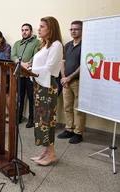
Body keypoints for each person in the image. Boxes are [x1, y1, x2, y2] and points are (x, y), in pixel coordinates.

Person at [21, 16, 63, 166]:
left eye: (42, 26)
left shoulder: (56, 45)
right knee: (40, 121)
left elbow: (49, 68)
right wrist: (30, 69)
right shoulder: (44, 46)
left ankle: (51, 154)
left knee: (47, 120)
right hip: (39, 85)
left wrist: (30, 69)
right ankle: (45, 151)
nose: (38, 29)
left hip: (47, 86)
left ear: (50, 29)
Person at [57, 21, 86, 144]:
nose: (73, 31)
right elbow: (62, 62)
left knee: (79, 109)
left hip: (78, 82)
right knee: (67, 107)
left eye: (76, 29)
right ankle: (69, 129)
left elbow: (83, 65)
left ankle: (78, 133)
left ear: (82, 31)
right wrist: (64, 77)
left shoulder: (85, 45)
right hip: (66, 82)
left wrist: (70, 78)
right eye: (71, 29)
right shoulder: (68, 45)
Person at [11, 23, 40, 128]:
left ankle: (31, 119)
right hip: (19, 74)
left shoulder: (37, 42)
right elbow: (13, 55)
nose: (24, 32)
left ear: (31, 31)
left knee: (32, 97)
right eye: (22, 30)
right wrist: (21, 63)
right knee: (19, 97)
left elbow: (37, 55)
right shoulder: (17, 43)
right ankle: (18, 116)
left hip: (30, 74)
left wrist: (28, 63)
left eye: (26, 30)